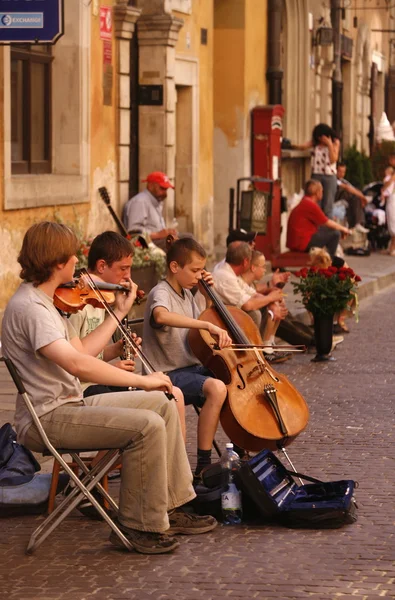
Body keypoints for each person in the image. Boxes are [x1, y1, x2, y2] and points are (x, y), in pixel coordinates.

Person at [1, 222, 216, 555]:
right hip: (48, 417)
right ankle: (138, 526)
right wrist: (143, 379)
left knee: (162, 403)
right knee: (147, 425)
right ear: (58, 262)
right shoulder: (32, 308)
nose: (77, 263)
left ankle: (170, 508)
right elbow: (77, 366)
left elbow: (84, 351)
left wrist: (116, 313)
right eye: (72, 257)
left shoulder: (45, 302)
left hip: (68, 406)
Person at [68, 230, 186, 440]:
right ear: (102, 266)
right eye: (123, 269)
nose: (128, 277)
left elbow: (91, 351)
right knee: (165, 402)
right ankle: (99, 469)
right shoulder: (76, 303)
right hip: (82, 390)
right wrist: (112, 368)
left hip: (96, 382)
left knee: (172, 394)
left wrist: (115, 349)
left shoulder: (100, 299)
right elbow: (73, 362)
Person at [142, 237, 233, 476]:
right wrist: (205, 324)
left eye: (202, 270)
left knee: (232, 383)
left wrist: (205, 293)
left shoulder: (188, 294)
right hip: (167, 374)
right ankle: (203, 463)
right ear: (174, 267)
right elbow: (161, 316)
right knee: (216, 388)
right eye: (195, 270)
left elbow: (198, 331)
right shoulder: (160, 292)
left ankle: (241, 453)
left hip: (190, 369)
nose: (199, 275)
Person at [213, 242, 292, 363]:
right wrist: (270, 298)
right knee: (255, 313)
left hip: (230, 311)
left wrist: (272, 298)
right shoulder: (225, 276)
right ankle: (255, 352)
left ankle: (265, 347)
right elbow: (248, 304)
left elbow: (251, 293)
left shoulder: (230, 272)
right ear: (245, 262)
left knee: (268, 306)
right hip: (219, 317)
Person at [239, 250, 291, 351]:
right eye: (263, 266)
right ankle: (265, 347)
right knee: (271, 309)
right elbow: (249, 302)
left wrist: (274, 286)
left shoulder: (249, 281)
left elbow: (256, 291)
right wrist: (271, 300)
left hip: (250, 310)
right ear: (253, 267)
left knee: (278, 303)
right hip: (241, 318)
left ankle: (270, 343)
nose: (265, 270)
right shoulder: (240, 281)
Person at [286, 180, 351, 257]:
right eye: (322, 191)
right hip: (301, 243)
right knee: (335, 234)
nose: (322, 193)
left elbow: (323, 222)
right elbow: (327, 222)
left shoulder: (305, 202)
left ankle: (326, 258)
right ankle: (330, 262)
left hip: (296, 242)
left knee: (331, 231)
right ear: (317, 193)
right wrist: (343, 229)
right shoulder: (310, 204)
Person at [122, 171, 177, 247]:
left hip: (157, 240)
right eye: (162, 188)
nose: (165, 193)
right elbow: (134, 232)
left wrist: (167, 232)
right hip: (146, 244)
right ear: (150, 186)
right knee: (178, 244)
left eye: (166, 189)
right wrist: (158, 234)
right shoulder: (140, 202)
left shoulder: (156, 201)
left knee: (187, 238)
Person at [297, 123, 340, 217]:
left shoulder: (334, 142)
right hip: (316, 174)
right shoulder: (315, 143)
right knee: (315, 203)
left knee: (327, 204)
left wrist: (329, 145)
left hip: (329, 176)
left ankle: (327, 229)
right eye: (319, 138)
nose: (321, 140)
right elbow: (302, 147)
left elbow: (333, 159)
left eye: (322, 138)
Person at [335, 162, 369, 231]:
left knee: (356, 197)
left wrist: (362, 197)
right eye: (340, 171)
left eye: (343, 172)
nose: (342, 174)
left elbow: (354, 189)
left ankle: (358, 224)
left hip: (345, 201)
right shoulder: (333, 180)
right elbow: (347, 188)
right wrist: (363, 198)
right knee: (351, 193)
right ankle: (356, 224)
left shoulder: (344, 180)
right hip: (336, 199)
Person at [381, 162, 395, 255]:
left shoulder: (390, 179)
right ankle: (391, 247)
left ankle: (392, 248)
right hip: (390, 200)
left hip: (392, 201)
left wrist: (382, 189)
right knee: (391, 223)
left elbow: (386, 186)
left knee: (393, 224)